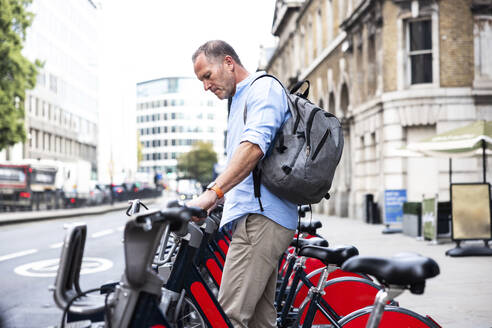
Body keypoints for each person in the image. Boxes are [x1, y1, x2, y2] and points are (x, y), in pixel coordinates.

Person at [188, 40, 297, 327]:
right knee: (260, 321)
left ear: (228, 62)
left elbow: (253, 148)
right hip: (255, 217)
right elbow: (243, 169)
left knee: (226, 318)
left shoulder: (262, 89)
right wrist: (216, 202)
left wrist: (212, 194)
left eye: (207, 76)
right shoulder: (240, 100)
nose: (205, 86)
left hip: (260, 219)